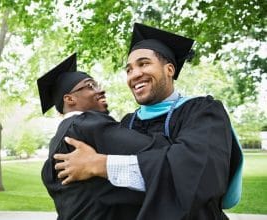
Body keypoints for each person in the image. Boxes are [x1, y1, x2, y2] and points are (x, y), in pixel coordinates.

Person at [54, 23, 243, 220]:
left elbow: (197, 176)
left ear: (169, 69)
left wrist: (102, 165)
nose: (134, 74)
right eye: (129, 70)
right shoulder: (127, 123)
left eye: (144, 64)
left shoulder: (203, 112)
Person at [38, 53, 170, 220]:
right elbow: (156, 150)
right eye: (90, 86)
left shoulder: (58, 140)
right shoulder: (86, 124)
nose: (101, 90)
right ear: (70, 99)